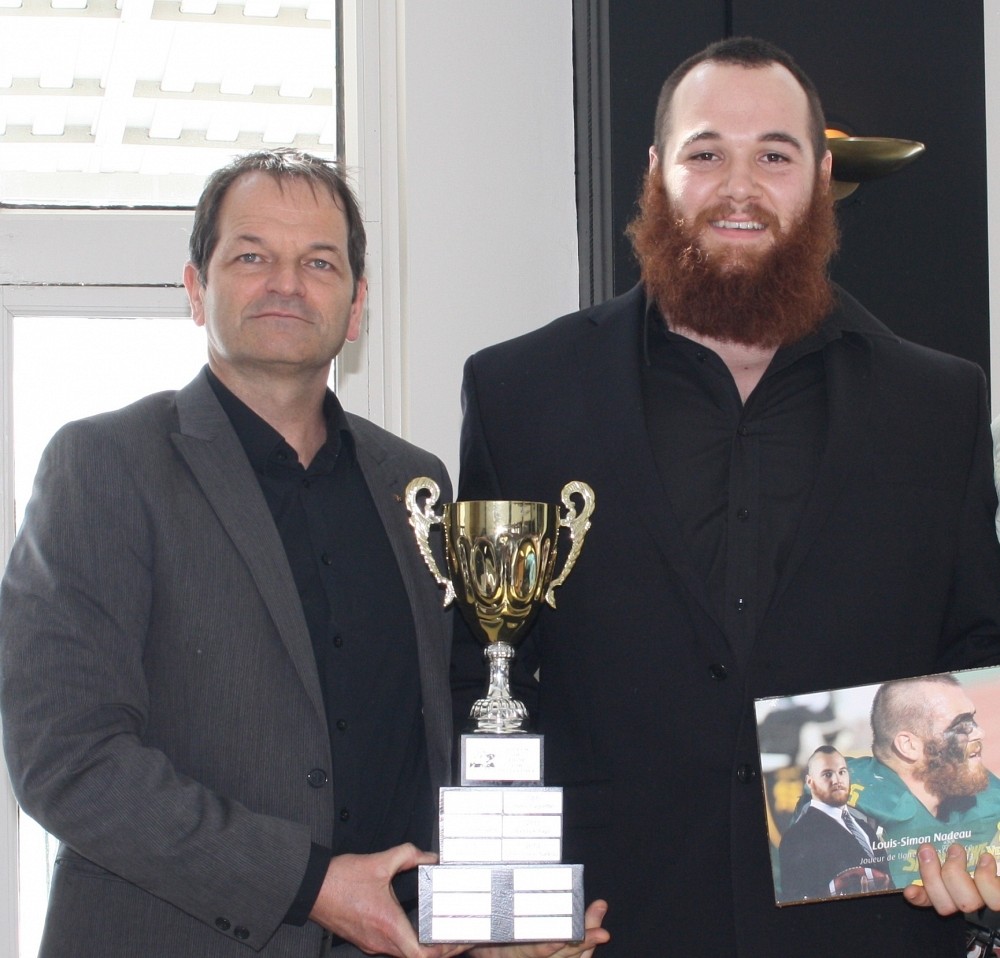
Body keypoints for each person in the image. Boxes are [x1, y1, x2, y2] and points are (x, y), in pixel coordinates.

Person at [454, 36, 1000, 956]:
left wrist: (974, 849)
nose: (738, 187)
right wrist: (501, 904)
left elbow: (976, 651)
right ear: (657, 172)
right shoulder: (522, 392)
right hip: (610, 927)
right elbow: (486, 675)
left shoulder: (939, 403)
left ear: (822, 178)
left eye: (774, 157)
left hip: (869, 925)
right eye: (707, 154)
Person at [0, 150, 607, 958]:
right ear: (195, 289)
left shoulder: (416, 488)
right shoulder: (104, 465)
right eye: (252, 256)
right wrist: (310, 885)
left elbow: (437, 735)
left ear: (355, 307)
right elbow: (67, 759)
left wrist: (489, 912)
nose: (286, 283)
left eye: (319, 262)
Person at [847, 674, 1000, 887]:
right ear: (909, 746)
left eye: (972, 720)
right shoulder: (853, 811)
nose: (980, 733)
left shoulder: (987, 796)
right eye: (961, 726)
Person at [778, 746, 892, 902]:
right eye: (827, 774)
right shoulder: (797, 836)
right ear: (810, 782)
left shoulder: (863, 827)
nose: (837, 780)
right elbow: (795, 898)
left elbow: (886, 878)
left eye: (842, 772)